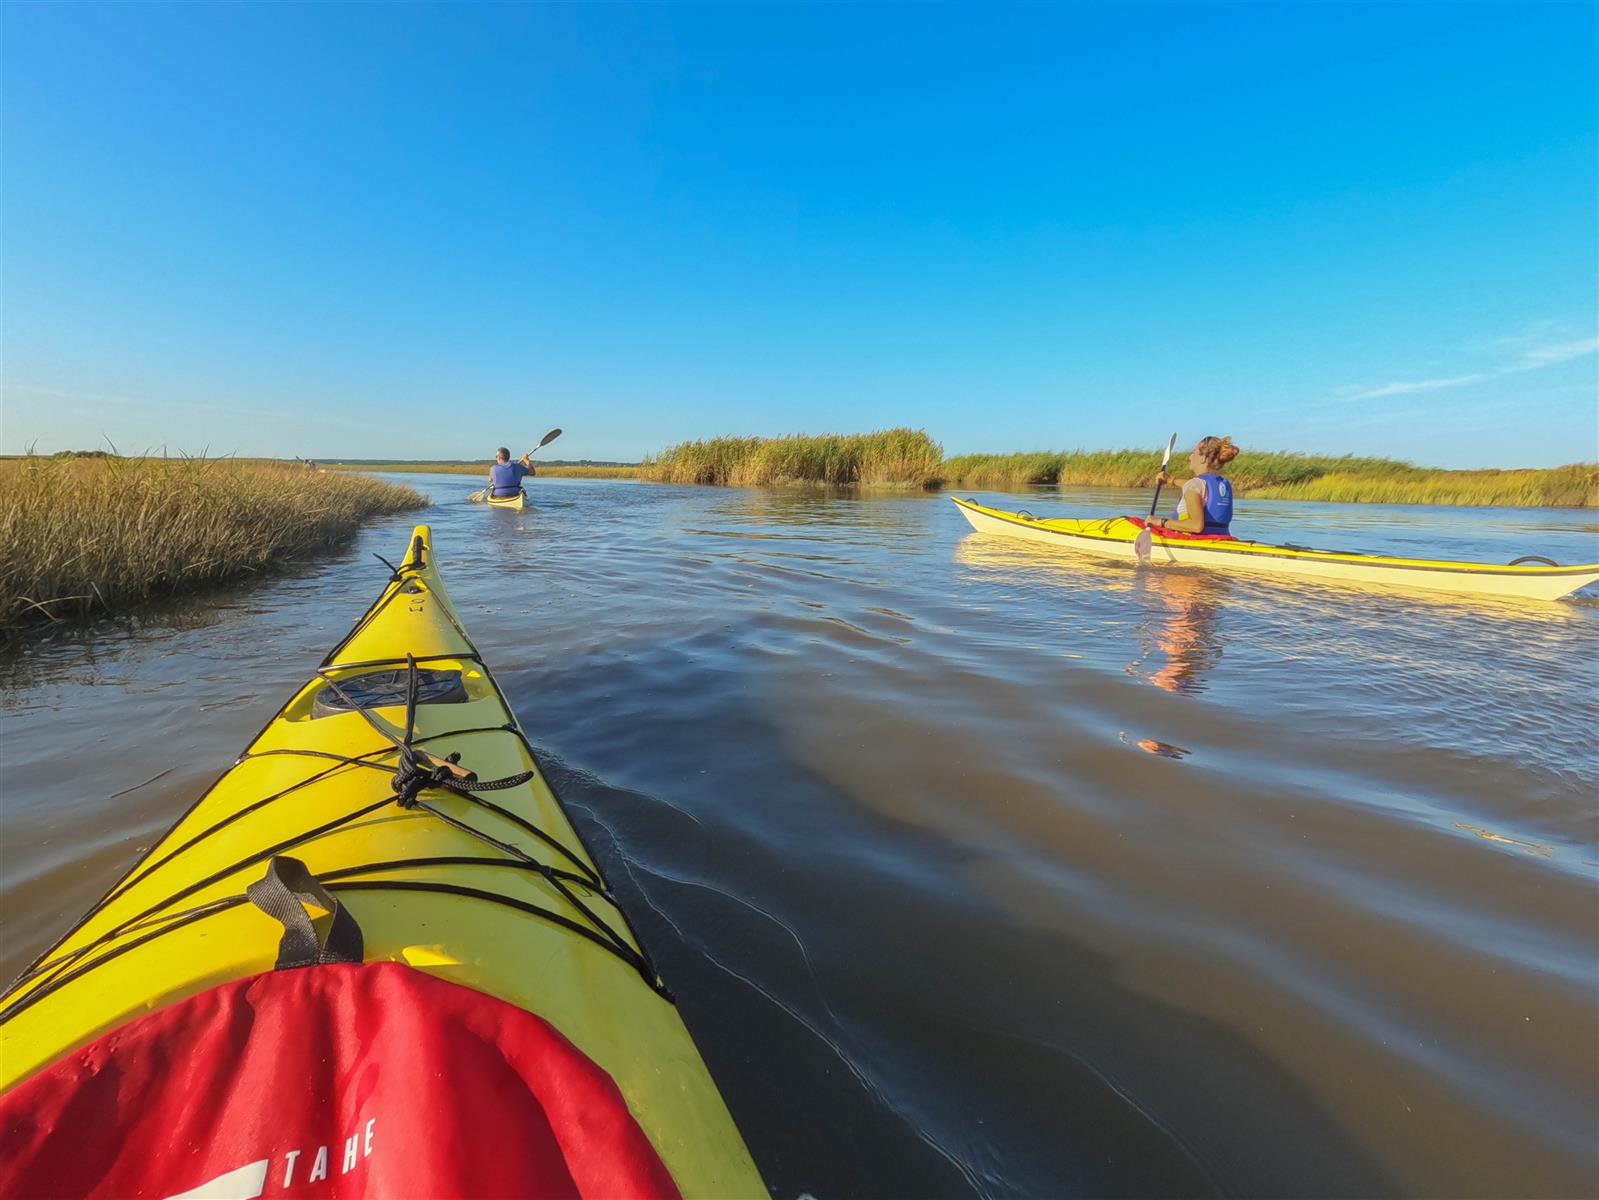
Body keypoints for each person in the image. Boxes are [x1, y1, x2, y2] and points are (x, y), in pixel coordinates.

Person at [1144, 435, 1238, 535]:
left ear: (1203, 458)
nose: (1190, 457)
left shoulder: (1194, 485)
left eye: (1194, 453)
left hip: (1194, 538)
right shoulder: (1224, 484)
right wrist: (1170, 480)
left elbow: (1196, 526)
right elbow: (1197, 488)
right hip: (1222, 537)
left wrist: (1160, 521)